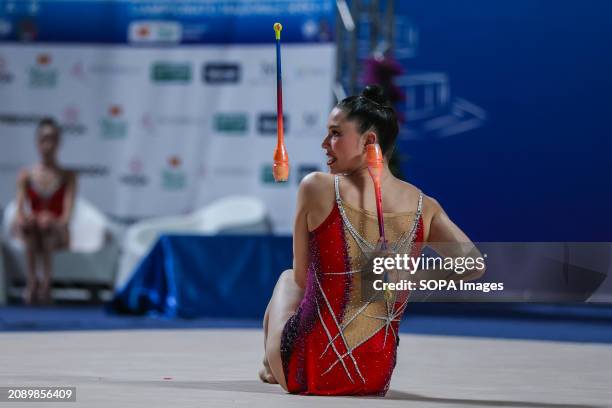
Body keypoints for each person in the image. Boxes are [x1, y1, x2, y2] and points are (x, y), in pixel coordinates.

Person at [259, 85, 486, 395]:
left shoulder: (317, 187)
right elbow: (473, 265)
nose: (325, 144)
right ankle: (271, 364)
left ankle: (270, 365)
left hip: (306, 369)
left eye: (336, 134)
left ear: (369, 141)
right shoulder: (424, 205)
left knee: (287, 279)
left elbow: (301, 279)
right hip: (374, 377)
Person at [14, 117, 77, 305]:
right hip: (33, 231)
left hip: (57, 232)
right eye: (44, 139)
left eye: (52, 139)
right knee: (33, 228)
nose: (48, 145)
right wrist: (28, 219)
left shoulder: (68, 176)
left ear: (59, 143)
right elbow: (19, 211)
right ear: (37, 142)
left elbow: (67, 216)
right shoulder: (26, 175)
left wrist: (51, 220)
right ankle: (32, 282)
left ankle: (45, 285)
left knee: (46, 229)